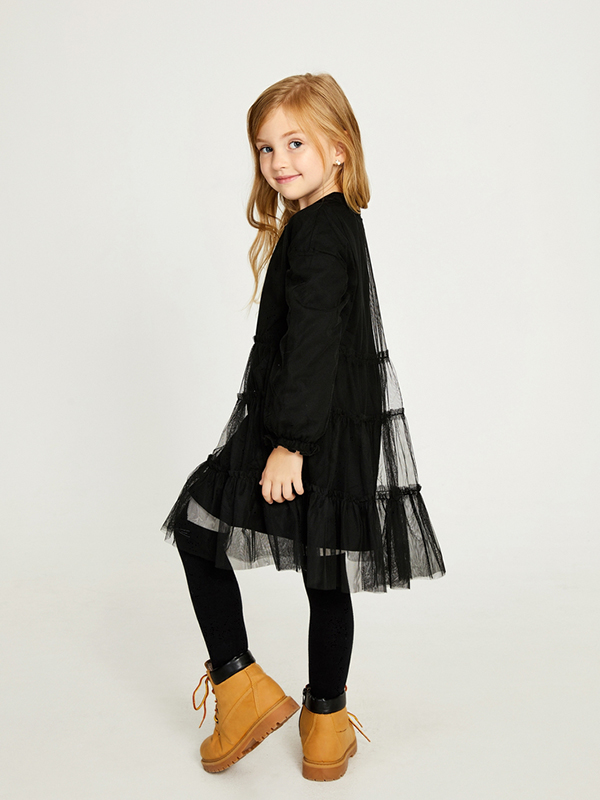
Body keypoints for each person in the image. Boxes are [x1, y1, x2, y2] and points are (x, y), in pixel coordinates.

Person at [162, 72, 446, 782]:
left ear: (339, 148)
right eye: (265, 148)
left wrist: (289, 444)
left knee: (197, 528)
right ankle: (325, 725)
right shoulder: (333, 221)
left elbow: (314, 342)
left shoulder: (318, 235)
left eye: (295, 143)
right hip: (338, 426)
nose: (277, 161)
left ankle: (241, 686)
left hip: (300, 425)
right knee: (326, 574)